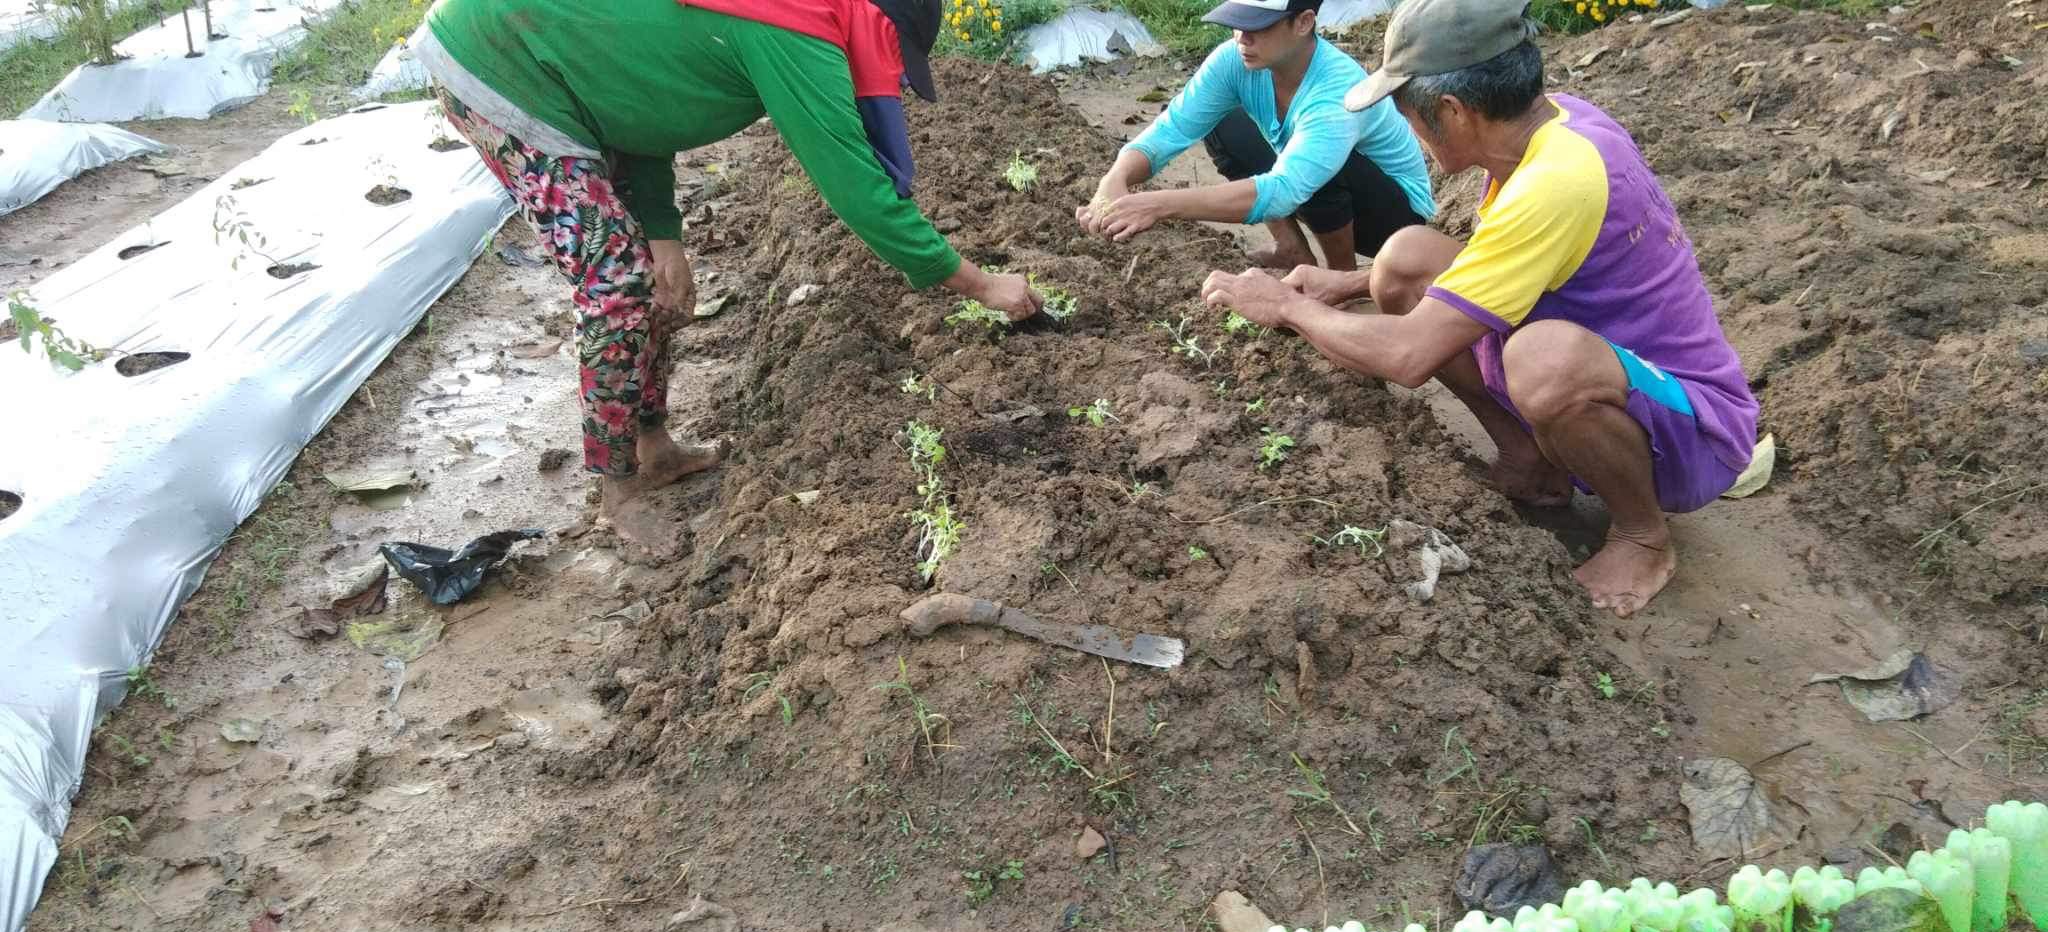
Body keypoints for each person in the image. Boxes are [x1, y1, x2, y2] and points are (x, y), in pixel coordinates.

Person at [413, 0, 1042, 550]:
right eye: (895, 56)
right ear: (877, 26)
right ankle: (617, 493)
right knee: (617, 285)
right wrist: (982, 285)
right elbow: (858, 192)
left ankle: (653, 447)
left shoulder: (781, 17)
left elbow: (643, 100)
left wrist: (664, 233)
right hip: (499, 62)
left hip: (558, 67)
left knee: (651, 276)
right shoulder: (796, 26)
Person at [1199, 0, 1759, 617]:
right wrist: (1351, 284)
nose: (1406, 126)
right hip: (1615, 368)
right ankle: (1531, 460)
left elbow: (1409, 356)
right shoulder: (1554, 126)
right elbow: (1503, 262)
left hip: (1694, 431)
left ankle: (1642, 535)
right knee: (1404, 260)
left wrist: (1285, 306)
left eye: (1406, 110)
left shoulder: (1556, 181)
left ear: (1452, 112)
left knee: (1544, 359)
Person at [1076, 0, 1435, 272]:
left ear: (1303, 22)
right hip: (1321, 185)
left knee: (1322, 169)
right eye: (1236, 24)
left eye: (1257, 27)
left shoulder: (1335, 90)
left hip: (1395, 222)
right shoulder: (1234, 61)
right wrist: (1115, 178)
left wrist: (1157, 204)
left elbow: (1283, 190)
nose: (1241, 38)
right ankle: (1291, 249)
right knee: (1222, 124)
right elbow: (1174, 126)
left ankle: (1342, 278)